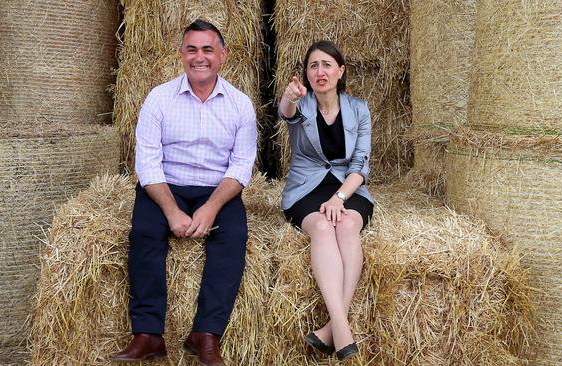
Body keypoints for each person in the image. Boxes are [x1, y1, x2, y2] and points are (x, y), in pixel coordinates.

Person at [111, 19, 257, 366]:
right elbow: (147, 162)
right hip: (166, 183)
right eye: (191, 49)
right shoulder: (159, 98)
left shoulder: (240, 105)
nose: (199, 57)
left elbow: (240, 166)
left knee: (233, 238)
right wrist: (172, 211)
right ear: (181, 55)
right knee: (145, 232)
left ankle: (205, 334)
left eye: (207, 49)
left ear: (222, 55)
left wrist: (210, 209)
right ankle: (148, 334)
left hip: (217, 187)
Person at [278, 40, 374, 361]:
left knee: (346, 225)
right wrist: (289, 97)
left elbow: (360, 166)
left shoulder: (359, 110)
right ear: (306, 74)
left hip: (349, 187)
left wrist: (340, 197)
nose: (320, 72)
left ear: (340, 71)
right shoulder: (301, 105)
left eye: (327, 65)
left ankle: (333, 329)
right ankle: (342, 325)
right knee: (322, 227)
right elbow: (285, 113)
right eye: (313, 66)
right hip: (306, 188)